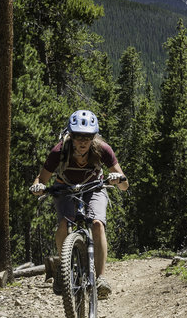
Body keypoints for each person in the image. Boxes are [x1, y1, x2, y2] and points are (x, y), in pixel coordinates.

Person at [30, 109, 128, 299]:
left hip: (94, 187)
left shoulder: (103, 149)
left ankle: (100, 278)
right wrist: (38, 187)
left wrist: (117, 179)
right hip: (65, 188)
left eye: (88, 137)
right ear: (71, 136)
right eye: (77, 137)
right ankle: (62, 267)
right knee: (64, 224)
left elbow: (125, 185)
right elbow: (41, 178)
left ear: (94, 137)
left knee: (98, 224)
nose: (83, 142)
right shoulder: (60, 150)